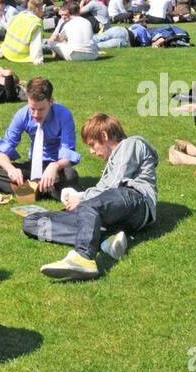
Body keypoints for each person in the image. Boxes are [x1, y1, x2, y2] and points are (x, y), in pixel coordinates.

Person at [23, 113, 158, 281]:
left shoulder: (131, 144)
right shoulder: (112, 161)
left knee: (89, 205)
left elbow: (114, 185)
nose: (91, 152)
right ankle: (105, 241)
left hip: (136, 202)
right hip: (108, 208)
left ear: (104, 136)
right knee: (33, 222)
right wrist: (79, 198)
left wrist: (82, 198)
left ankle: (84, 257)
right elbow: (104, 191)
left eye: (93, 145)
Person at [0, 75, 80, 197]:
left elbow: (68, 153)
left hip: (56, 167)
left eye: (41, 109)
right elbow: (2, 152)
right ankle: (41, 190)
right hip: (32, 166)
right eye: (32, 109)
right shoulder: (22, 115)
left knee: (70, 175)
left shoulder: (64, 115)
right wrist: (11, 170)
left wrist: (55, 166)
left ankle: (21, 189)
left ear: (51, 101)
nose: (35, 114)